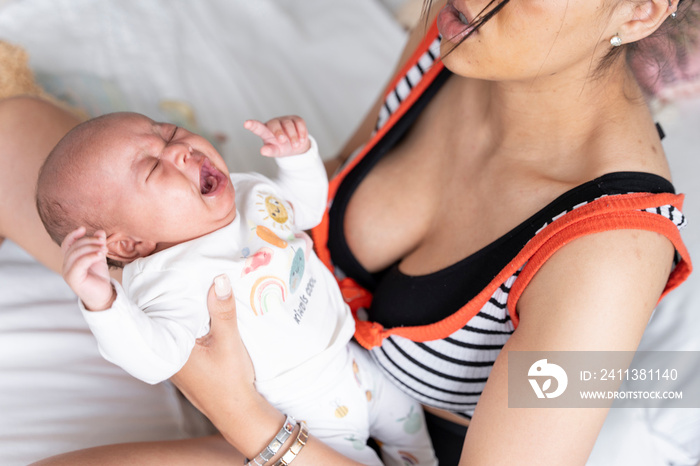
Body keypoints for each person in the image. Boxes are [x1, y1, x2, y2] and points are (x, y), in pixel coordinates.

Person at [1, 0, 696, 463]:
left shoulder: (611, 255)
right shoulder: (462, 35)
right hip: (271, 318)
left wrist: (242, 414)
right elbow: (326, 189)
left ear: (639, 8)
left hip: (354, 442)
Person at [34, 111, 436, 466]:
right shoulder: (165, 282)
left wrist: (297, 159)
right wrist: (104, 303)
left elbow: (305, 210)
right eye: (155, 169)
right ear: (128, 245)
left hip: (353, 359)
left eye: (172, 133)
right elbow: (155, 358)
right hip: (310, 415)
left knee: (412, 427)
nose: (181, 151)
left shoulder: (246, 193)